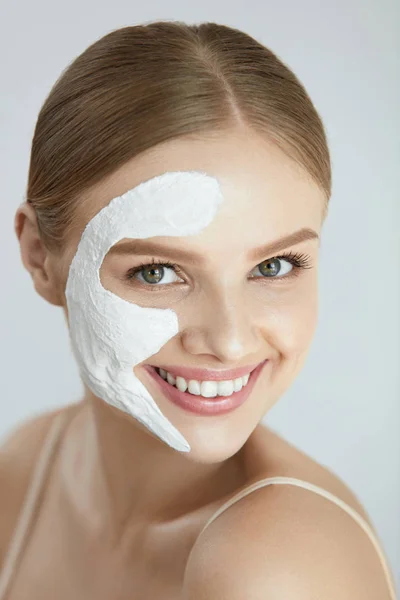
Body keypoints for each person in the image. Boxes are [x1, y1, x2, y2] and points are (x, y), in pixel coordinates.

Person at [0, 20, 397, 600]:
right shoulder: (26, 465)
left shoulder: (276, 567)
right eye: (157, 272)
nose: (231, 340)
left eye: (274, 266)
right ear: (40, 257)